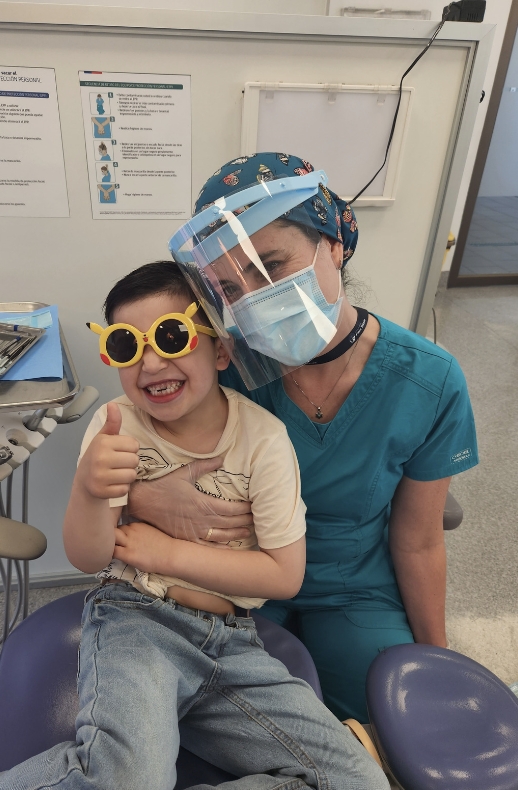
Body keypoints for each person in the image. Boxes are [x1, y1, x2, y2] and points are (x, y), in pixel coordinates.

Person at [0, 261, 388, 790]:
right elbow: (87, 557)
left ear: (221, 350)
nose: (151, 363)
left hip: (233, 643)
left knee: (359, 781)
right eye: (126, 346)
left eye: (172, 336)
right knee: (127, 778)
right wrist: (88, 490)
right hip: (137, 620)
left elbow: (283, 575)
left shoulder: (264, 440)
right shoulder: (117, 427)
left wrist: (163, 553)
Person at [124, 152, 479, 724]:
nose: (254, 295)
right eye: (230, 287)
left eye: (271, 265)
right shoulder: (221, 366)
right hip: (231, 578)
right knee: (210, 723)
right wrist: (142, 500)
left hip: (354, 589)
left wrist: (440, 662)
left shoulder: (428, 380)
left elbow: (418, 542)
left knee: (400, 720)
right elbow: (133, 456)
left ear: (333, 245)